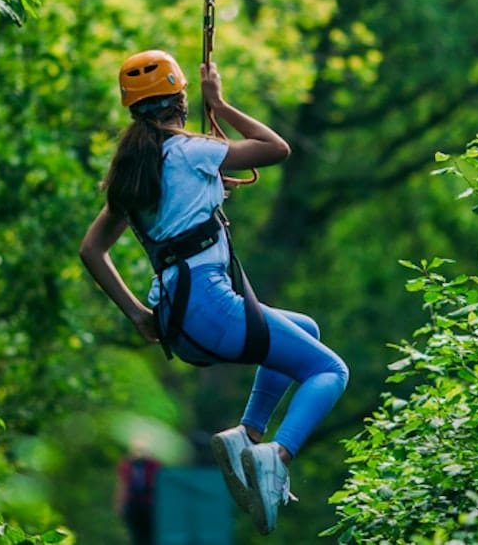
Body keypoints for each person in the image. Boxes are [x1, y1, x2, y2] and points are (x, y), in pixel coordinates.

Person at [80, 49, 349, 535]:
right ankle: (277, 455)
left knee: (304, 329)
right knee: (329, 370)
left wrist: (139, 316)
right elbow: (276, 148)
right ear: (180, 100)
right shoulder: (190, 152)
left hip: (174, 319)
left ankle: (246, 434)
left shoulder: (132, 173)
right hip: (209, 307)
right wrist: (220, 105)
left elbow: (92, 250)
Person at [113, 448, 161, 545]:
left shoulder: (154, 464)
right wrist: (119, 504)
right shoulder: (127, 464)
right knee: (139, 536)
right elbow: (123, 485)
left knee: (147, 536)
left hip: (150, 505)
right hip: (135, 505)